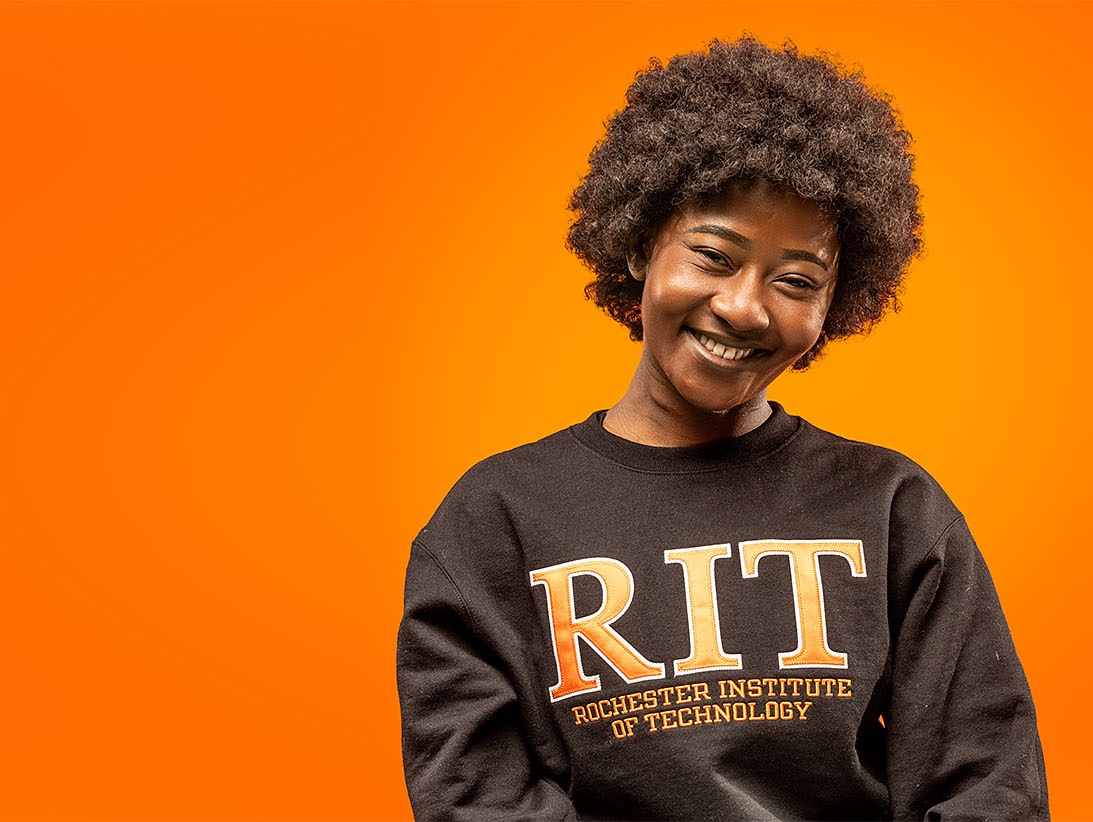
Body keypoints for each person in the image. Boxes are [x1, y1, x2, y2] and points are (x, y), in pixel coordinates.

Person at [397, 37, 1048, 821]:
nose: (744, 307)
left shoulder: (892, 509)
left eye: (796, 280)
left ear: (834, 304)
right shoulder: (493, 522)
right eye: (713, 256)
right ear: (641, 246)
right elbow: (476, 798)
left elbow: (986, 783)